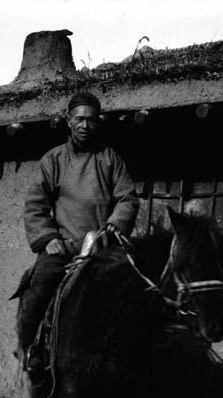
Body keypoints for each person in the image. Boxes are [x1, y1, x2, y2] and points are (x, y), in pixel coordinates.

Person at [17, 91, 138, 374]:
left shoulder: (110, 159)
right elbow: (35, 204)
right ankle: (31, 349)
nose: (85, 125)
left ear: (98, 123)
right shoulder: (53, 160)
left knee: (133, 290)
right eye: (80, 119)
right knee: (40, 286)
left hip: (103, 247)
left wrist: (113, 226)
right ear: (69, 121)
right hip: (66, 246)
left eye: (91, 120)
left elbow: (127, 198)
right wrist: (48, 240)